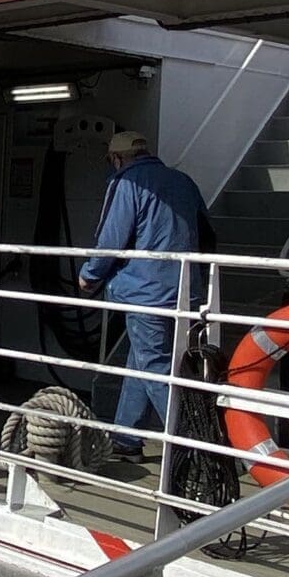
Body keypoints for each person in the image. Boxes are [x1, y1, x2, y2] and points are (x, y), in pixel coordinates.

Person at [78, 130, 204, 460]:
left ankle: (194, 450)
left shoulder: (127, 182)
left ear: (117, 158)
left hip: (146, 293)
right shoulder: (183, 181)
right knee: (140, 362)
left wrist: (90, 275)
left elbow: (112, 237)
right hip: (185, 291)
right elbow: (207, 232)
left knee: (153, 368)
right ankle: (126, 439)